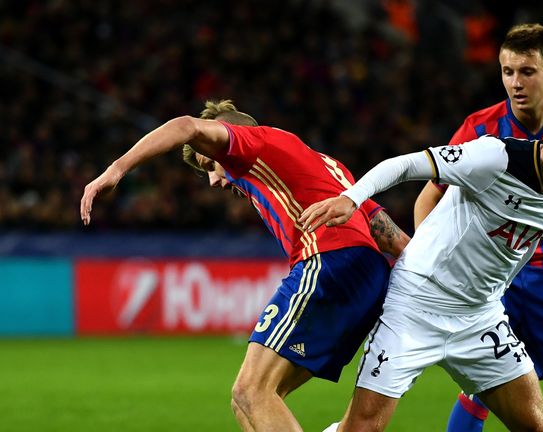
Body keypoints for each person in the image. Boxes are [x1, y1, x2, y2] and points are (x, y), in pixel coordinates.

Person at [80, 100, 410, 432]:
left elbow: (185, 126)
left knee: (250, 392)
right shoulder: (326, 165)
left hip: (329, 263)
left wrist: (115, 170)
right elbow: (390, 235)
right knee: (250, 400)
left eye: (210, 163)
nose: (213, 180)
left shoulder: (253, 143)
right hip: (369, 278)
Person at [300, 98, 543, 432]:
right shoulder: (495, 157)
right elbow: (407, 165)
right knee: (362, 428)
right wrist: (352, 198)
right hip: (415, 307)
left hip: (480, 317)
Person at [413, 24, 543, 432]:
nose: (515, 83)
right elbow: (428, 196)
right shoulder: (480, 129)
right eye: (507, 72)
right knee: (482, 390)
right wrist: (425, 263)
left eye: (526, 72)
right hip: (487, 281)